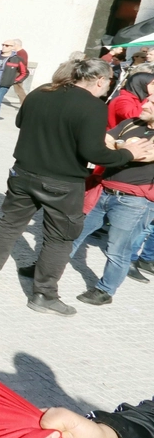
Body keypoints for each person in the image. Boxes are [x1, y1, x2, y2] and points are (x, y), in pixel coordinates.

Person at [0, 59, 154, 315]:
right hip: (62, 182)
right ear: (101, 80)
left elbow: (20, 122)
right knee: (59, 238)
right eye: (109, 83)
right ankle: (43, 295)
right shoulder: (93, 106)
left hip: (24, 172)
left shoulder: (41, 91)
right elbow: (94, 152)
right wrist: (128, 153)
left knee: (10, 223)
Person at [67, 96, 154, 306]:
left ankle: (105, 291)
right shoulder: (131, 123)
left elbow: (147, 155)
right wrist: (126, 146)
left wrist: (117, 147)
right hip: (103, 191)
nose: (144, 104)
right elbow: (103, 141)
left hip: (134, 202)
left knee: (118, 249)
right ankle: (47, 268)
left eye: (152, 103)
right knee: (72, 233)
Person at [0, 38, 30, 128]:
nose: (4, 47)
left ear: (12, 47)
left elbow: (25, 72)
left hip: (2, 86)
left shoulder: (17, 59)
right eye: (3, 45)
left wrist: (14, 81)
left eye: (7, 45)